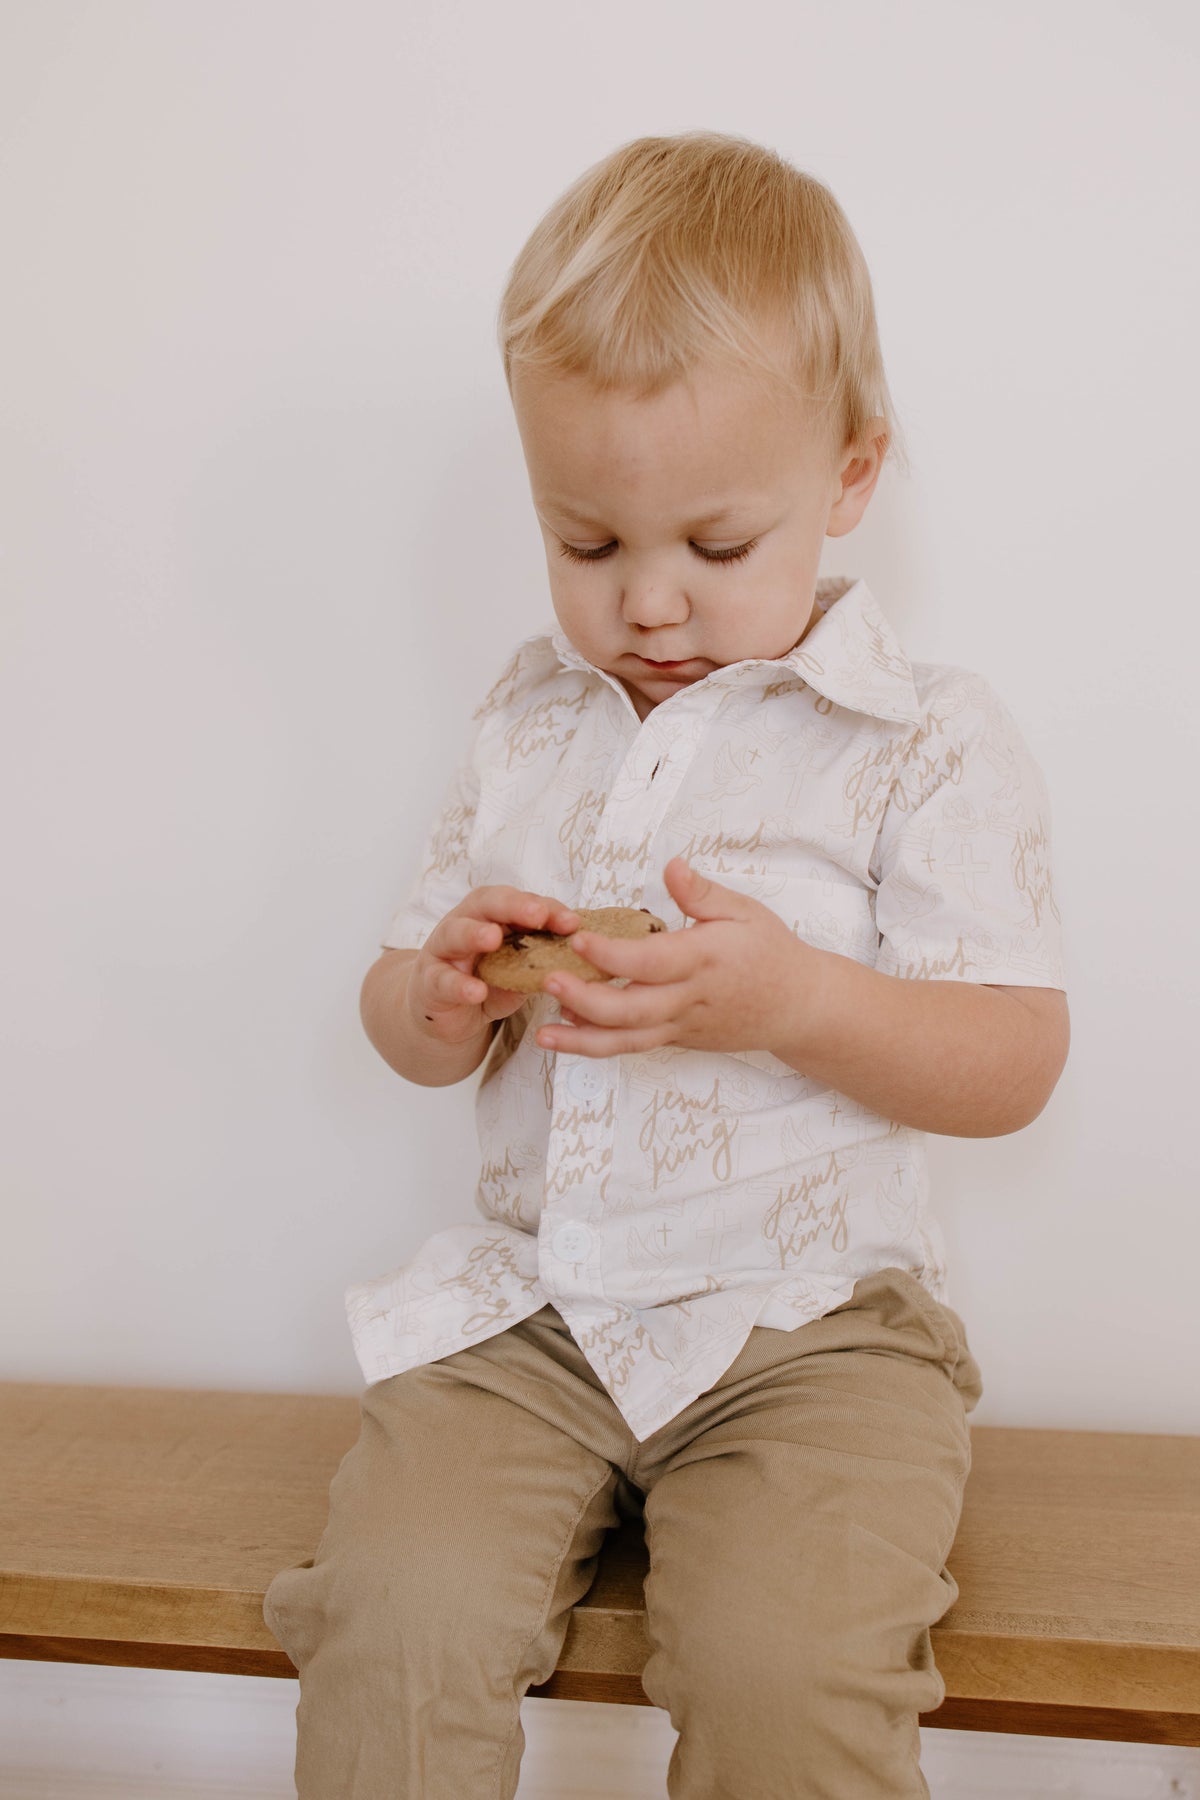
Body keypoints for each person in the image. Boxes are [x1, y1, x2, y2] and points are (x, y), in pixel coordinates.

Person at [263, 130, 1069, 1799]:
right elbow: (404, 1018)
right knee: (390, 1625)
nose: (647, 605)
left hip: (816, 1331)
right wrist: (439, 995)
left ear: (850, 475)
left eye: (713, 548)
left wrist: (797, 1000)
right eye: (586, 543)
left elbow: (1017, 1060)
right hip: (534, 1317)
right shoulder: (526, 722)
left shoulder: (922, 739)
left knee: (790, 1676)